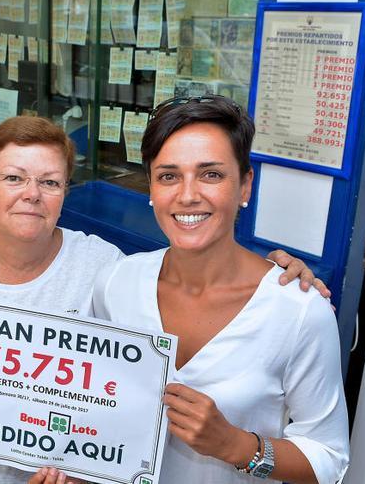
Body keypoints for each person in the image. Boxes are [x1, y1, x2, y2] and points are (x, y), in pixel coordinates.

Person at [0, 116, 328, 484]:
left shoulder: (107, 269)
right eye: (13, 178)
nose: (31, 194)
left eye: (50, 182)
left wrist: (277, 276)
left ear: (66, 193)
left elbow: (120, 382)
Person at [92, 96, 349, 483]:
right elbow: (93, 400)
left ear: (245, 185)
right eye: (168, 175)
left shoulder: (298, 310)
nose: (188, 194)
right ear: (151, 187)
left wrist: (235, 445)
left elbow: (329, 458)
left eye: (210, 174)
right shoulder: (116, 283)